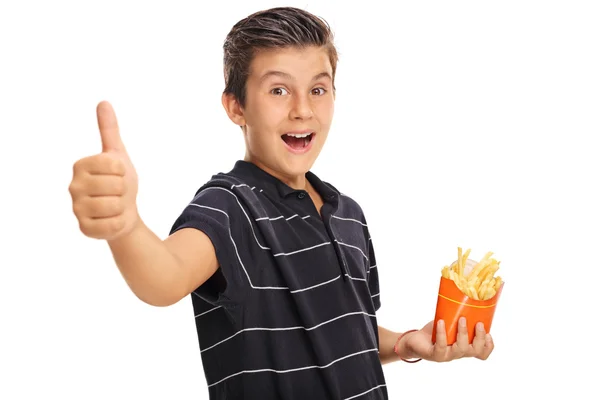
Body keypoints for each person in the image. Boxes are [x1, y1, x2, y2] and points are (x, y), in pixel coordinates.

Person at [68, 6, 494, 399]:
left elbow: (345, 332)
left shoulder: (348, 215)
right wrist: (125, 227)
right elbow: (164, 277)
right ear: (237, 107)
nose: (302, 110)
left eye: (318, 89)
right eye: (277, 90)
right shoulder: (229, 207)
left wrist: (403, 344)